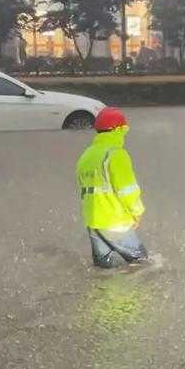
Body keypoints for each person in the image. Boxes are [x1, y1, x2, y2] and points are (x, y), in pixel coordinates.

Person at [76, 107, 148, 268]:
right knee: (142, 265)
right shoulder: (116, 154)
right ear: (119, 129)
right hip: (115, 221)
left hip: (93, 220)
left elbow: (83, 186)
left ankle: (100, 293)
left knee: (103, 270)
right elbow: (128, 189)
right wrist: (137, 212)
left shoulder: (87, 154)